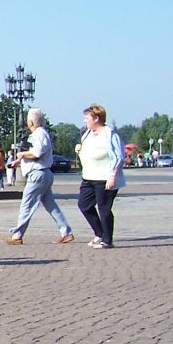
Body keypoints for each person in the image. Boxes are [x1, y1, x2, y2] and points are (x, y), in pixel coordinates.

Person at [4, 108, 74, 245]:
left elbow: (36, 154)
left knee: (26, 205)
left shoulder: (39, 134)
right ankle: (66, 232)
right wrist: (17, 162)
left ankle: (17, 236)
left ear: (31, 121)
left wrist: (22, 155)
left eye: (27, 119)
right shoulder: (39, 134)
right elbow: (34, 154)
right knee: (51, 205)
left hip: (38, 175)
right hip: (42, 174)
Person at [75, 103, 125, 248]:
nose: (85, 120)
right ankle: (99, 233)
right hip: (89, 177)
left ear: (96, 118)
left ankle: (107, 240)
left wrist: (113, 176)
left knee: (104, 209)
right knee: (84, 205)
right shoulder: (87, 134)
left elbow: (118, 156)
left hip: (105, 178)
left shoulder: (110, 134)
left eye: (87, 118)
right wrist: (79, 150)